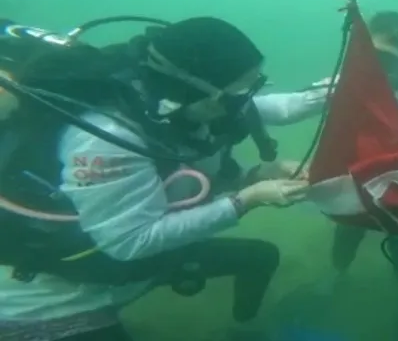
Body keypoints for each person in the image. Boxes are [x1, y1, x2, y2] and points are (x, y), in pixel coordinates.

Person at [0, 17, 310, 341]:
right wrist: (247, 200)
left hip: (134, 268)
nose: (246, 101)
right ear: (192, 89)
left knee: (260, 257)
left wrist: (253, 177)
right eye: (239, 93)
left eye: (254, 86)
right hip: (54, 299)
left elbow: (274, 109)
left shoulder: (174, 108)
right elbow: (129, 242)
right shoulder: (108, 138)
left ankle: (244, 328)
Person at [260, 11, 398, 336]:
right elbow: (290, 106)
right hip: (355, 177)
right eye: (366, 54)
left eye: (385, 59)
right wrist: (236, 104)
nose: (372, 66)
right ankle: (332, 278)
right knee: (347, 229)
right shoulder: (346, 84)